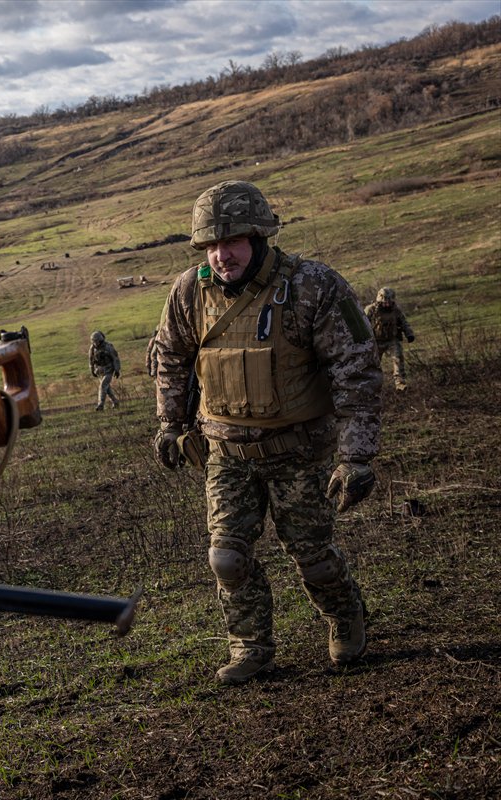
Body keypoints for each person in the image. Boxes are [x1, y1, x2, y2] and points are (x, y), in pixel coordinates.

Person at [153, 181, 382, 686]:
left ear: (259, 237)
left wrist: (356, 457)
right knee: (227, 557)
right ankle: (250, 646)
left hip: (300, 450)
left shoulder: (312, 285)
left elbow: (356, 369)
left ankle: (345, 615)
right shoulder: (189, 291)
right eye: (212, 244)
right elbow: (170, 357)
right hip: (226, 452)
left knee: (313, 556)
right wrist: (171, 424)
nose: (222, 255)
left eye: (233, 241)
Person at [363, 286, 416, 390]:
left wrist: (409, 334)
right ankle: (372, 385)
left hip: (392, 340)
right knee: (373, 363)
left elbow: (404, 322)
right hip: (376, 341)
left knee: (398, 358)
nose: (387, 304)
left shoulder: (396, 310)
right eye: (385, 302)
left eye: (389, 302)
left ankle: (400, 383)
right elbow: (362, 324)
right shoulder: (371, 310)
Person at [89, 330, 121, 410]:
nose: (95, 343)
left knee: (103, 386)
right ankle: (115, 402)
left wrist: (117, 369)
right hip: (99, 371)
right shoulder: (92, 348)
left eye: (97, 341)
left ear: (100, 340)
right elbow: (91, 360)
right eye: (94, 341)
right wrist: (92, 370)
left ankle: (100, 405)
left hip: (109, 370)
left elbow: (115, 358)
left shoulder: (108, 347)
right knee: (107, 388)